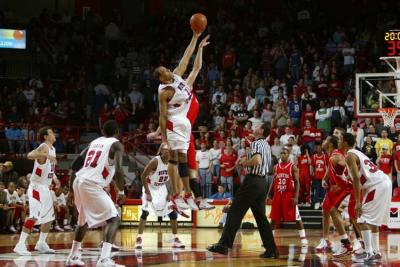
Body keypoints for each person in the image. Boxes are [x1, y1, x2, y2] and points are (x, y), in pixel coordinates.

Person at [155, 33, 210, 211]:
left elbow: (190, 62)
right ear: (162, 79)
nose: (170, 72)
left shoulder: (180, 79)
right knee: (175, 160)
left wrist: (195, 39)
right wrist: (162, 137)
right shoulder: (165, 91)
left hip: (184, 126)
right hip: (174, 124)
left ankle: (187, 195)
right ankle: (176, 196)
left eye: (168, 70)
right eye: (166, 73)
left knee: (183, 161)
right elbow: (162, 116)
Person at [207, 123, 278, 258]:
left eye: (257, 127)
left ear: (261, 130)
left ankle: (223, 245)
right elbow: (268, 166)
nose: (254, 128)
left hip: (253, 181)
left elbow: (257, 160)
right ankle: (272, 249)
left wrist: (245, 162)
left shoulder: (257, 144)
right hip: (262, 182)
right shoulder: (267, 146)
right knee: (261, 219)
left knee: (234, 211)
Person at [66, 120, 126, 267]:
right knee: (114, 219)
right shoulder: (117, 144)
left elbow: (75, 164)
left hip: (79, 181)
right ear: (117, 131)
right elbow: (118, 169)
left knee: (83, 221)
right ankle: (104, 259)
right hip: (91, 184)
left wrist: (69, 190)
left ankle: (73, 256)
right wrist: (122, 190)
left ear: (103, 131)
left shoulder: (94, 142)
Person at [344, 133, 392, 263]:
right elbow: (361, 180)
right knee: (373, 221)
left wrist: (358, 202)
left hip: (378, 185)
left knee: (362, 218)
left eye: (340, 139)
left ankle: (368, 252)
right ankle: (375, 252)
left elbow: (355, 179)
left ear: (345, 142)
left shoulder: (349, 155)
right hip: (383, 182)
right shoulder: (358, 153)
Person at [14, 127, 60, 255]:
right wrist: (45, 155)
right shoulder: (44, 147)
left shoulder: (53, 149)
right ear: (45, 136)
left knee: (49, 218)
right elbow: (29, 155)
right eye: (51, 132)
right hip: (36, 187)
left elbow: (49, 168)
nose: (54, 133)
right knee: (34, 216)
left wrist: (55, 178)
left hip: (45, 188)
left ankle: (41, 243)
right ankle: (20, 245)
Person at [135, 143, 185, 250]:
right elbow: (143, 176)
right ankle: (139, 238)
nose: (167, 152)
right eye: (165, 150)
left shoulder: (173, 163)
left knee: (172, 210)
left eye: (169, 150)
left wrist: (170, 193)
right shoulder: (155, 161)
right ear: (161, 151)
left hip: (161, 188)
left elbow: (174, 179)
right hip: (149, 187)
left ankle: (175, 238)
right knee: (145, 211)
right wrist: (147, 192)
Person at [269, 147, 308, 246]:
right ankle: (268, 240)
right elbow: (274, 181)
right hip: (278, 194)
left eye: (284, 153)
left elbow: (297, 182)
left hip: (288, 194)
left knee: (297, 218)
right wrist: (269, 194)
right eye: (281, 153)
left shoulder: (293, 167)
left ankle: (303, 239)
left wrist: (296, 197)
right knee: (273, 218)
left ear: (288, 154)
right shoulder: (275, 167)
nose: (282, 154)